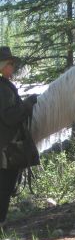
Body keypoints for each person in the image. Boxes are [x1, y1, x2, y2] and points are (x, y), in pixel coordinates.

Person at [0, 46, 38, 225]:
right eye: (10, 63)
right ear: (2, 65)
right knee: (4, 187)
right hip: (6, 148)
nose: (13, 67)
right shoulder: (3, 88)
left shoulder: (4, 86)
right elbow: (9, 117)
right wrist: (28, 104)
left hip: (5, 146)